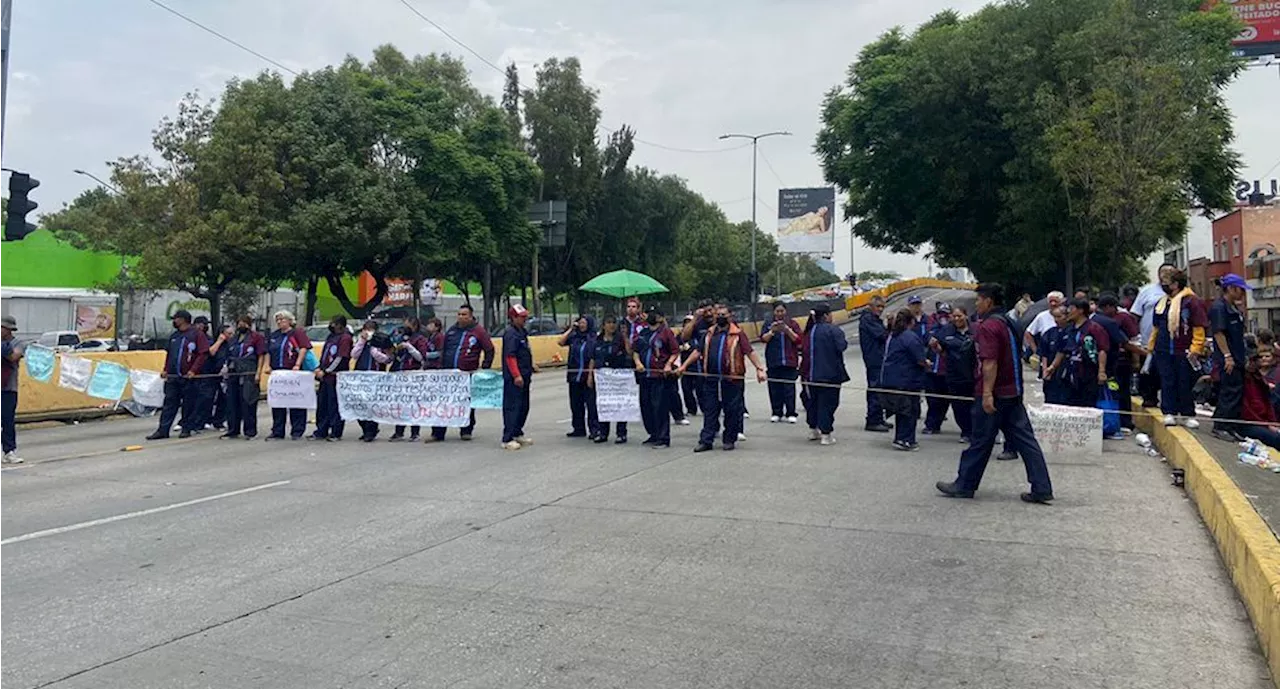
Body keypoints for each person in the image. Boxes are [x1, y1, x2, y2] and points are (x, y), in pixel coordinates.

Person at [937, 283, 1055, 503]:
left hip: (996, 392)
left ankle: (964, 484)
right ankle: (1041, 486)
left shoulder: (989, 326)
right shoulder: (1009, 322)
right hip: (1013, 390)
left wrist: (988, 393)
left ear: (988, 301)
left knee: (980, 439)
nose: (976, 304)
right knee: (1026, 441)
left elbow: (990, 362)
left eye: (978, 300)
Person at [679, 303, 767, 452]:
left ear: (730, 316)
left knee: (731, 410)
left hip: (731, 379)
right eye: (718, 315)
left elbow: (750, 352)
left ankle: (729, 439)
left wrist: (760, 369)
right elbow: (697, 352)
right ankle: (706, 440)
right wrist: (684, 366)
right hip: (711, 379)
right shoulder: (709, 333)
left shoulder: (738, 334)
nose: (720, 317)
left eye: (723, 315)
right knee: (710, 410)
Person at [1147, 270, 1207, 428]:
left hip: (1185, 349)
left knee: (1184, 382)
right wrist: (1151, 346)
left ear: (1175, 284)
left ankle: (1187, 414)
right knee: (1167, 381)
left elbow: (1198, 327)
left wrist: (1196, 347)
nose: (1163, 285)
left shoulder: (1191, 302)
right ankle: (1169, 412)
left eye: (1166, 282)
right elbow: (1156, 327)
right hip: (1164, 349)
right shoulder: (1162, 303)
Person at [431, 305, 494, 442]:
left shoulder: (479, 332)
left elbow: (489, 350)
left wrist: (485, 367)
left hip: (467, 374)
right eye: (459, 314)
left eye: (464, 314)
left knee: (466, 403)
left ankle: (466, 430)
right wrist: (441, 366)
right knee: (443, 403)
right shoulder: (452, 331)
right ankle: (438, 433)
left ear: (471, 316)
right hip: (449, 375)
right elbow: (444, 349)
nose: (461, 317)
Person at [147, 310, 210, 440]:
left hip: (189, 377)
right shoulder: (175, 336)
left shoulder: (197, 335)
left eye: (176, 319)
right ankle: (163, 430)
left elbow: (203, 354)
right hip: (173, 377)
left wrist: (194, 370)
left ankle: (186, 428)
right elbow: (170, 355)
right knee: (169, 403)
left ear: (182, 319)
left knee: (188, 404)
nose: (174, 321)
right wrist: (165, 369)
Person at [1046, 298, 1110, 414]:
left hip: (1088, 372)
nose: (1068, 312)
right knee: (1069, 404)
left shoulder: (1094, 328)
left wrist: (1101, 371)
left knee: (1087, 404)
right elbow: (1062, 350)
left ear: (1080, 310)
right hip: (1070, 373)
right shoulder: (1068, 330)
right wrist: (1053, 367)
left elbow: (1102, 350)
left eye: (1071, 309)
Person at [799, 303, 850, 445]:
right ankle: (826, 433)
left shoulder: (809, 332)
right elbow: (842, 346)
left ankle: (813, 429)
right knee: (828, 404)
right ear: (826, 315)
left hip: (810, 375)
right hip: (830, 374)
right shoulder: (834, 331)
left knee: (812, 403)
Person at [882, 309, 930, 451]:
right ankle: (907, 439)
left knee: (901, 411)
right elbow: (920, 359)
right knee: (911, 411)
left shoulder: (893, 336)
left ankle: (899, 437)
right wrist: (927, 363)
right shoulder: (910, 337)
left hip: (894, 379)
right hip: (908, 379)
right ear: (912, 321)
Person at [1133, 264, 1179, 408]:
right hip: (1148, 342)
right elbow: (1135, 314)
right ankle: (1149, 398)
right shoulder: (1147, 291)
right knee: (1148, 374)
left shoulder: (1180, 292)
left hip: (1172, 342)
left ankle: (1171, 404)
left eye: (1170, 272)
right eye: (1163, 272)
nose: (1166, 274)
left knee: (1168, 375)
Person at [1211, 274, 1251, 442]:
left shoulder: (1234, 308)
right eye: (1240, 289)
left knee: (1237, 392)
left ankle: (1230, 426)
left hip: (1238, 356)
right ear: (1231, 288)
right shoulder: (1219, 308)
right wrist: (1227, 356)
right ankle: (1221, 426)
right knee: (1229, 392)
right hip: (1228, 358)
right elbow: (1219, 333)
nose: (1242, 293)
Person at [633, 306, 679, 448]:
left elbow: (675, 351)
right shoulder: (643, 333)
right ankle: (652, 434)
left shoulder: (666, 333)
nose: (649, 316)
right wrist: (638, 362)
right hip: (644, 376)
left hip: (659, 376)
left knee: (659, 407)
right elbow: (636, 350)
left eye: (653, 314)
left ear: (660, 317)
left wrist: (668, 365)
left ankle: (663, 437)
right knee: (645, 406)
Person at [1097, 293, 1144, 432]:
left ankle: (1125, 421)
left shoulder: (1123, 318)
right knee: (1111, 392)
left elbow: (1132, 340)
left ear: (1111, 307)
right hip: (1109, 361)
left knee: (1122, 391)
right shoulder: (1104, 319)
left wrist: (1137, 359)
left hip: (1122, 360)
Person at [264, 310, 313, 440]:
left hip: (294, 373)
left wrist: (297, 364)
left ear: (290, 321)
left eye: (283, 319)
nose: (280, 322)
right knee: (278, 402)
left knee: (296, 402)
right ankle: (277, 430)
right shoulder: (274, 335)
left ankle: (297, 431)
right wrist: (267, 365)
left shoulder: (297, 333)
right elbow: (268, 351)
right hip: (278, 373)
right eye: (278, 320)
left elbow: (303, 348)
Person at [932, 306, 976, 443]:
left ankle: (977, 431)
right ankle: (966, 432)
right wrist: (936, 348)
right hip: (954, 376)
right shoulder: (947, 331)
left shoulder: (975, 330)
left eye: (960, 316)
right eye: (954, 316)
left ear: (966, 316)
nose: (957, 319)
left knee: (974, 406)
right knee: (958, 406)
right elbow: (939, 347)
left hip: (973, 376)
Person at [222, 315, 266, 440]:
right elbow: (228, 355)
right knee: (232, 402)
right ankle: (233, 430)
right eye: (239, 323)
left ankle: (250, 431)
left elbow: (261, 355)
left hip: (249, 372)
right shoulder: (234, 339)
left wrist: (258, 373)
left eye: (244, 323)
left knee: (248, 402)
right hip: (233, 372)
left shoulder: (257, 337)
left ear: (249, 324)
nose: (241, 325)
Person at [589, 315, 631, 444]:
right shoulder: (598, 340)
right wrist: (590, 376)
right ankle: (603, 433)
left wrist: (625, 337)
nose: (611, 325)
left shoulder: (620, 340)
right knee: (603, 405)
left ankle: (621, 433)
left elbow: (629, 352)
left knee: (620, 405)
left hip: (618, 377)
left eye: (613, 322)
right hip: (603, 378)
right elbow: (592, 358)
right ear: (603, 325)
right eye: (608, 322)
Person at [311, 315, 352, 442]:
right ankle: (321, 431)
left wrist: (327, 370)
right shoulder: (331, 337)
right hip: (325, 377)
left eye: (333, 323)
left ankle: (336, 432)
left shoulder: (345, 338)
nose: (331, 326)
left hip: (335, 377)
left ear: (340, 325)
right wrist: (319, 368)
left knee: (334, 405)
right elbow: (325, 355)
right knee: (322, 405)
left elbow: (340, 357)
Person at [389, 318, 429, 442]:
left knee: (414, 405)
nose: (404, 328)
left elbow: (421, 357)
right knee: (400, 404)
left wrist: (408, 346)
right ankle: (399, 431)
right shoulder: (400, 337)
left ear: (414, 326)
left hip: (413, 375)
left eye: (407, 326)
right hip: (399, 373)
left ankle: (415, 432)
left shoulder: (420, 339)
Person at [559, 314, 599, 439]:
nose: (581, 325)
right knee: (576, 404)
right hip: (574, 376)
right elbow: (560, 342)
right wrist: (571, 329)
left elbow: (593, 357)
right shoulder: (574, 337)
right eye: (580, 323)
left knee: (591, 405)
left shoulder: (593, 338)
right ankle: (578, 428)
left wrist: (590, 375)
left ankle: (594, 429)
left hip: (587, 376)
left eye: (584, 323)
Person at [501, 305, 535, 451]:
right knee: (512, 407)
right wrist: (516, 375)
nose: (524, 319)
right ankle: (507, 437)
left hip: (525, 375)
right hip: (515, 377)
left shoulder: (522, 332)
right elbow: (510, 356)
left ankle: (517, 432)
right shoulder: (511, 334)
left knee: (523, 406)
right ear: (513, 318)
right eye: (521, 317)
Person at [351, 320, 391, 442]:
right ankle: (365, 429)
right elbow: (354, 354)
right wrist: (362, 341)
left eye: (370, 330)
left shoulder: (382, 341)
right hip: (361, 377)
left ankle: (371, 430)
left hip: (375, 377)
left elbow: (388, 359)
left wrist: (375, 350)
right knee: (359, 406)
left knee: (371, 406)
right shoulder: (361, 342)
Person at [761, 302, 801, 423]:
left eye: (781, 311)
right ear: (774, 312)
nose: (779, 314)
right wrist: (772, 331)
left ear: (785, 311)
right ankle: (776, 412)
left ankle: (791, 412)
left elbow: (798, 339)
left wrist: (787, 330)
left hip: (789, 362)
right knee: (774, 388)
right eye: (777, 311)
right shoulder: (768, 324)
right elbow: (763, 339)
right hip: (774, 361)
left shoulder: (792, 324)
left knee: (789, 388)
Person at [859, 296, 891, 432]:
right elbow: (882, 335)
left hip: (878, 358)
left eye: (882, 307)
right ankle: (872, 420)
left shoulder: (874, 320)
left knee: (880, 389)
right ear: (871, 306)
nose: (880, 310)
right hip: (874, 359)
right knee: (875, 389)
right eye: (878, 307)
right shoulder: (868, 320)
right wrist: (890, 326)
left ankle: (878, 418)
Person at [1239, 350, 1280, 449]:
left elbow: (1268, 404)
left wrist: (1272, 422)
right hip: (1250, 423)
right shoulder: (1243, 381)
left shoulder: (1260, 380)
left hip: (1265, 422)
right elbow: (1246, 411)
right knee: (1276, 438)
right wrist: (1267, 425)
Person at [922, 303, 953, 435]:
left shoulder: (953, 330)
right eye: (941, 314)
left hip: (946, 371)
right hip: (932, 371)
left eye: (946, 314)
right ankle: (931, 425)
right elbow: (926, 340)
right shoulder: (932, 329)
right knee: (932, 400)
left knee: (945, 400)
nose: (943, 317)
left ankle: (937, 422)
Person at [0, 315, 26, 463]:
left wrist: (4, 347)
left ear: (8, 330)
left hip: (9, 388)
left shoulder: (18, 343)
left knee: (7, 420)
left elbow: (13, 357)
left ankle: (9, 451)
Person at [192, 316, 224, 432]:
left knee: (207, 398)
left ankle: (206, 420)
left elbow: (211, 353)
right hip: (196, 373)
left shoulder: (208, 339)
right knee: (196, 399)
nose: (202, 326)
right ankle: (194, 421)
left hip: (209, 373)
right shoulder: (192, 337)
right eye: (200, 324)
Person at [1037, 306, 1070, 405]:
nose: (1056, 320)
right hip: (1051, 374)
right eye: (1054, 317)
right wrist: (1045, 370)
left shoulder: (1071, 332)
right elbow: (1044, 354)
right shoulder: (1050, 333)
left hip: (1065, 373)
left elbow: (1063, 351)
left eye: (1059, 317)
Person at [1024, 291, 1065, 357]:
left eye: (1056, 301)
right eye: (1050, 301)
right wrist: (1036, 351)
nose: (1053, 304)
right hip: (1046, 353)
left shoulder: (1067, 315)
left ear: (1061, 302)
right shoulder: (1042, 316)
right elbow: (1028, 333)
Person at [677, 315, 700, 418]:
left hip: (698, 367)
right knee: (687, 389)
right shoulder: (681, 336)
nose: (687, 324)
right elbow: (674, 346)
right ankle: (691, 409)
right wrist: (681, 347)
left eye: (689, 322)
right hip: (686, 367)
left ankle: (707, 408)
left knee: (701, 391)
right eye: (686, 322)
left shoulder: (698, 335)